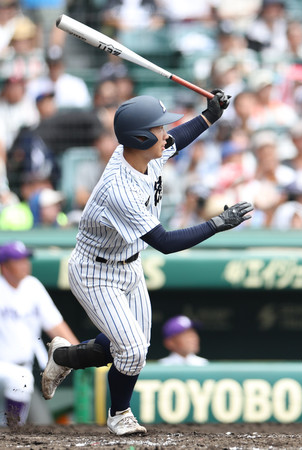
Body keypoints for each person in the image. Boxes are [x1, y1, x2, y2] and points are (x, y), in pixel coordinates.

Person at [41, 90, 253, 436]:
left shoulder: (143, 154)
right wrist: (218, 223)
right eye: (157, 129)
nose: (165, 133)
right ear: (139, 138)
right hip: (96, 271)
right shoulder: (119, 189)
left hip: (129, 263)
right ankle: (120, 414)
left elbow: (176, 140)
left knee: (128, 345)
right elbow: (165, 243)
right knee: (133, 350)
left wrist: (208, 116)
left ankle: (63, 358)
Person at [0, 240, 79, 426]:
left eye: (25, 259)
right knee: (20, 380)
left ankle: (10, 433)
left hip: (24, 369)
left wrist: (81, 352)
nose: (25, 264)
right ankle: (10, 435)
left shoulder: (32, 286)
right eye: (17, 261)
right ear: (4, 266)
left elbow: (56, 326)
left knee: (43, 425)